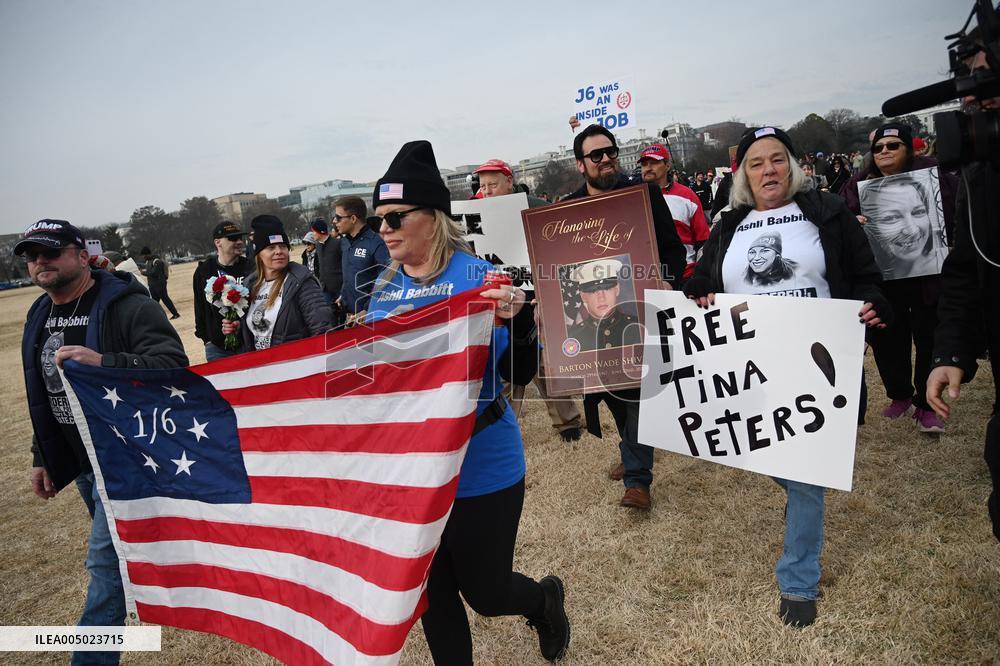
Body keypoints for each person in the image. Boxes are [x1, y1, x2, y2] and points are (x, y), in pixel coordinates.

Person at [364, 140, 569, 664]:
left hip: (482, 463)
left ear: (432, 219)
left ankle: (544, 601)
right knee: (433, 597)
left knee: (487, 593)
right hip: (416, 469)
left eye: (395, 217)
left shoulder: (481, 279)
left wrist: (519, 323)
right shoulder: (382, 291)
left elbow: (519, 374)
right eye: (379, 219)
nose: (383, 229)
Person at [683, 126, 889, 628]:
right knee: (771, 458)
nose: (768, 170)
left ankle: (798, 579)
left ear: (793, 166)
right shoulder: (729, 224)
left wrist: (873, 304)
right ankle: (797, 492)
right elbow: (704, 278)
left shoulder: (827, 212)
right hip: (750, 365)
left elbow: (867, 277)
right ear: (743, 174)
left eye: (777, 159)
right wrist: (698, 290)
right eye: (756, 163)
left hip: (817, 363)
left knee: (807, 473)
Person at [15, 219, 188, 666]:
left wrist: (105, 362)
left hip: (125, 459)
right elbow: (44, 392)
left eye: (51, 251)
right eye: (32, 255)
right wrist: (42, 454)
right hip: (83, 462)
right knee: (120, 560)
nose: (40, 261)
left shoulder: (127, 305)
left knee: (104, 568)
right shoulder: (39, 313)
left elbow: (173, 365)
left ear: (82, 255)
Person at [562, 124, 687, 511]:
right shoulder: (567, 208)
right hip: (595, 320)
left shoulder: (644, 194)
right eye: (595, 155)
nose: (606, 159)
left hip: (639, 310)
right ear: (580, 164)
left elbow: (672, 247)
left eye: (610, 151)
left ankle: (637, 479)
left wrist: (666, 279)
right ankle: (632, 449)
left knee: (635, 392)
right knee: (611, 392)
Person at [927, 41, 1000, 542]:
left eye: (989, 82)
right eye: (973, 84)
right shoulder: (980, 176)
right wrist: (951, 351)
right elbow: (964, 272)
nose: (976, 98)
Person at [843, 123, 958, 433]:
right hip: (883, 277)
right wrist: (853, 221)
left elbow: (956, 211)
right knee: (887, 339)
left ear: (908, 149)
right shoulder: (858, 184)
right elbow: (843, 220)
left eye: (893, 145)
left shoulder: (935, 176)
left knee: (929, 336)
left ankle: (926, 403)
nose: (884, 152)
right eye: (878, 147)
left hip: (928, 275)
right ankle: (900, 394)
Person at [475, 158, 584, 443]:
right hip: (501, 303)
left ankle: (568, 423)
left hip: (536, 296)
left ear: (509, 181)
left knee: (547, 364)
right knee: (506, 366)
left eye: (493, 184)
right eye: (483, 186)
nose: (487, 191)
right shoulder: (476, 215)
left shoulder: (535, 206)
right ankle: (501, 426)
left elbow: (557, 247)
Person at [222, 215, 331, 350]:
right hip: (262, 362)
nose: (279, 251)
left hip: (295, 360)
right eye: (271, 247)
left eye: (283, 246)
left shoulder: (302, 282)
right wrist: (238, 329)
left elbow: (322, 329)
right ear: (259, 254)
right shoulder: (249, 285)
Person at [637, 144, 711, 281]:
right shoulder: (634, 197)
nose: (648, 168)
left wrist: (701, 275)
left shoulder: (687, 195)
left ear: (667, 166)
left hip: (685, 276)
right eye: (644, 164)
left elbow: (703, 240)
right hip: (645, 278)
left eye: (654, 163)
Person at [193, 220, 252, 361]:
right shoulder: (204, 271)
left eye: (240, 238)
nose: (239, 242)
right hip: (217, 348)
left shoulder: (251, 268)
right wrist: (207, 339)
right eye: (233, 238)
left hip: (248, 343)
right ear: (218, 242)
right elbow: (200, 308)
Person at [333, 195, 390, 320]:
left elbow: (387, 280)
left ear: (353, 218)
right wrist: (343, 295)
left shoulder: (377, 244)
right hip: (349, 316)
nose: (334, 221)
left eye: (338, 217)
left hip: (370, 317)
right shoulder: (344, 242)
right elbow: (350, 275)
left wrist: (367, 309)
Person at [566, 258, 640, 351]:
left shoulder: (639, 327)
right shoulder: (573, 337)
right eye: (593, 291)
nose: (601, 298)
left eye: (607, 288)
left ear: (617, 289)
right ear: (583, 296)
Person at [138, 245, 180, 319]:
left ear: (148, 254)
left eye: (144, 255)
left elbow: (154, 273)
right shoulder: (148, 262)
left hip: (160, 284)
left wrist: (143, 273)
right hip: (152, 285)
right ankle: (156, 317)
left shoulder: (157, 261)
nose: (143, 257)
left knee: (165, 299)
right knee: (154, 302)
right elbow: (150, 272)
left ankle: (175, 314)